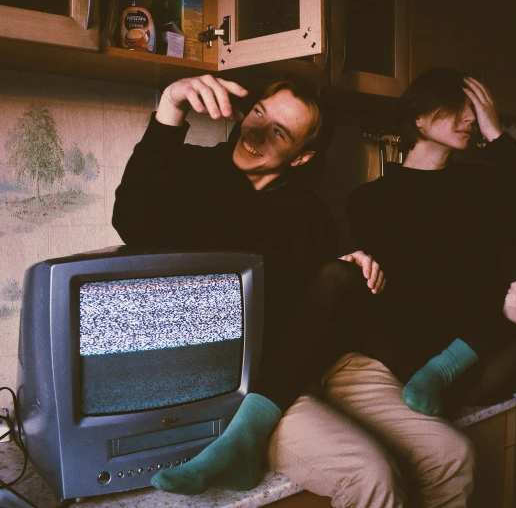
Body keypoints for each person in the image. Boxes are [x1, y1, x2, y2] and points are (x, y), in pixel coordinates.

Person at [113, 74, 474, 507]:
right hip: (256, 375)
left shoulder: (309, 214)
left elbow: (310, 310)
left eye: (280, 132)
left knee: (453, 454)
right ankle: (245, 438)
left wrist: (348, 267)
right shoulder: (191, 175)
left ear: (302, 157)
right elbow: (132, 221)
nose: (256, 131)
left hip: (322, 360)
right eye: (259, 113)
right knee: (371, 473)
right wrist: (171, 106)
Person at [347, 68, 516, 417]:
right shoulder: (371, 200)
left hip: (485, 362)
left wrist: (496, 136)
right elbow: (410, 290)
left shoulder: (479, 186)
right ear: (419, 118)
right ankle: (439, 370)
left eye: (474, 108)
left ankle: (447, 368)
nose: (472, 117)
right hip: (416, 355)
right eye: (457, 107)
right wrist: (502, 302)